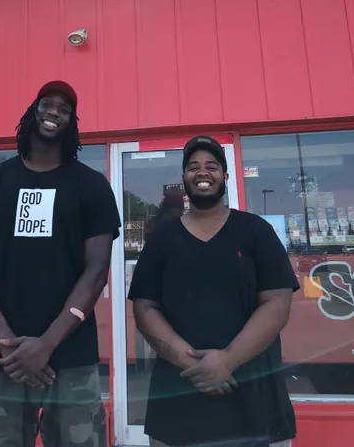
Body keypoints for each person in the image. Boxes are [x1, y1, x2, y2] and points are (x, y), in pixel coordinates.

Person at [0, 81, 121, 447]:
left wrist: (47, 343)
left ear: (72, 122)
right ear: (32, 112)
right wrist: (6, 341)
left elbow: (96, 272)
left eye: (64, 108)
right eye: (47, 104)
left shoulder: (91, 186)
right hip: (6, 357)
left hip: (72, 355)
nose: (54, 111)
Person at [128, 135, 299, 447]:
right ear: (184, 179)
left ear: (225, 176)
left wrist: (228, 361)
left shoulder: (256, 231)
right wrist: (194, 364)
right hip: (179, 398)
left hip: (254, 399)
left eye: (211, 166)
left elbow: (277, 304)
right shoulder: (162, 239)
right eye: (193, 167)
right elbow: (145, 308)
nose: (202, 172)